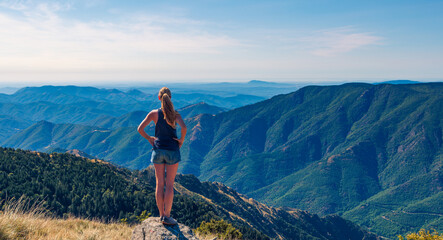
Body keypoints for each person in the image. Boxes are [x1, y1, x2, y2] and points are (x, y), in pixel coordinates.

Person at [137, 87, 187, 225]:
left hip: (158, 150)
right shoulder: (176, 115)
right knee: (170, 185)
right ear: (170, 98)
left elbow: (140, 129)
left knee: (159, 184)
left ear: (159, 98)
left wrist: (149, 138)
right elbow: (184, 128)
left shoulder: (154, 114)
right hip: (172, 150)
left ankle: (160, 215)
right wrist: (181, 140)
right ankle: (167, 216)